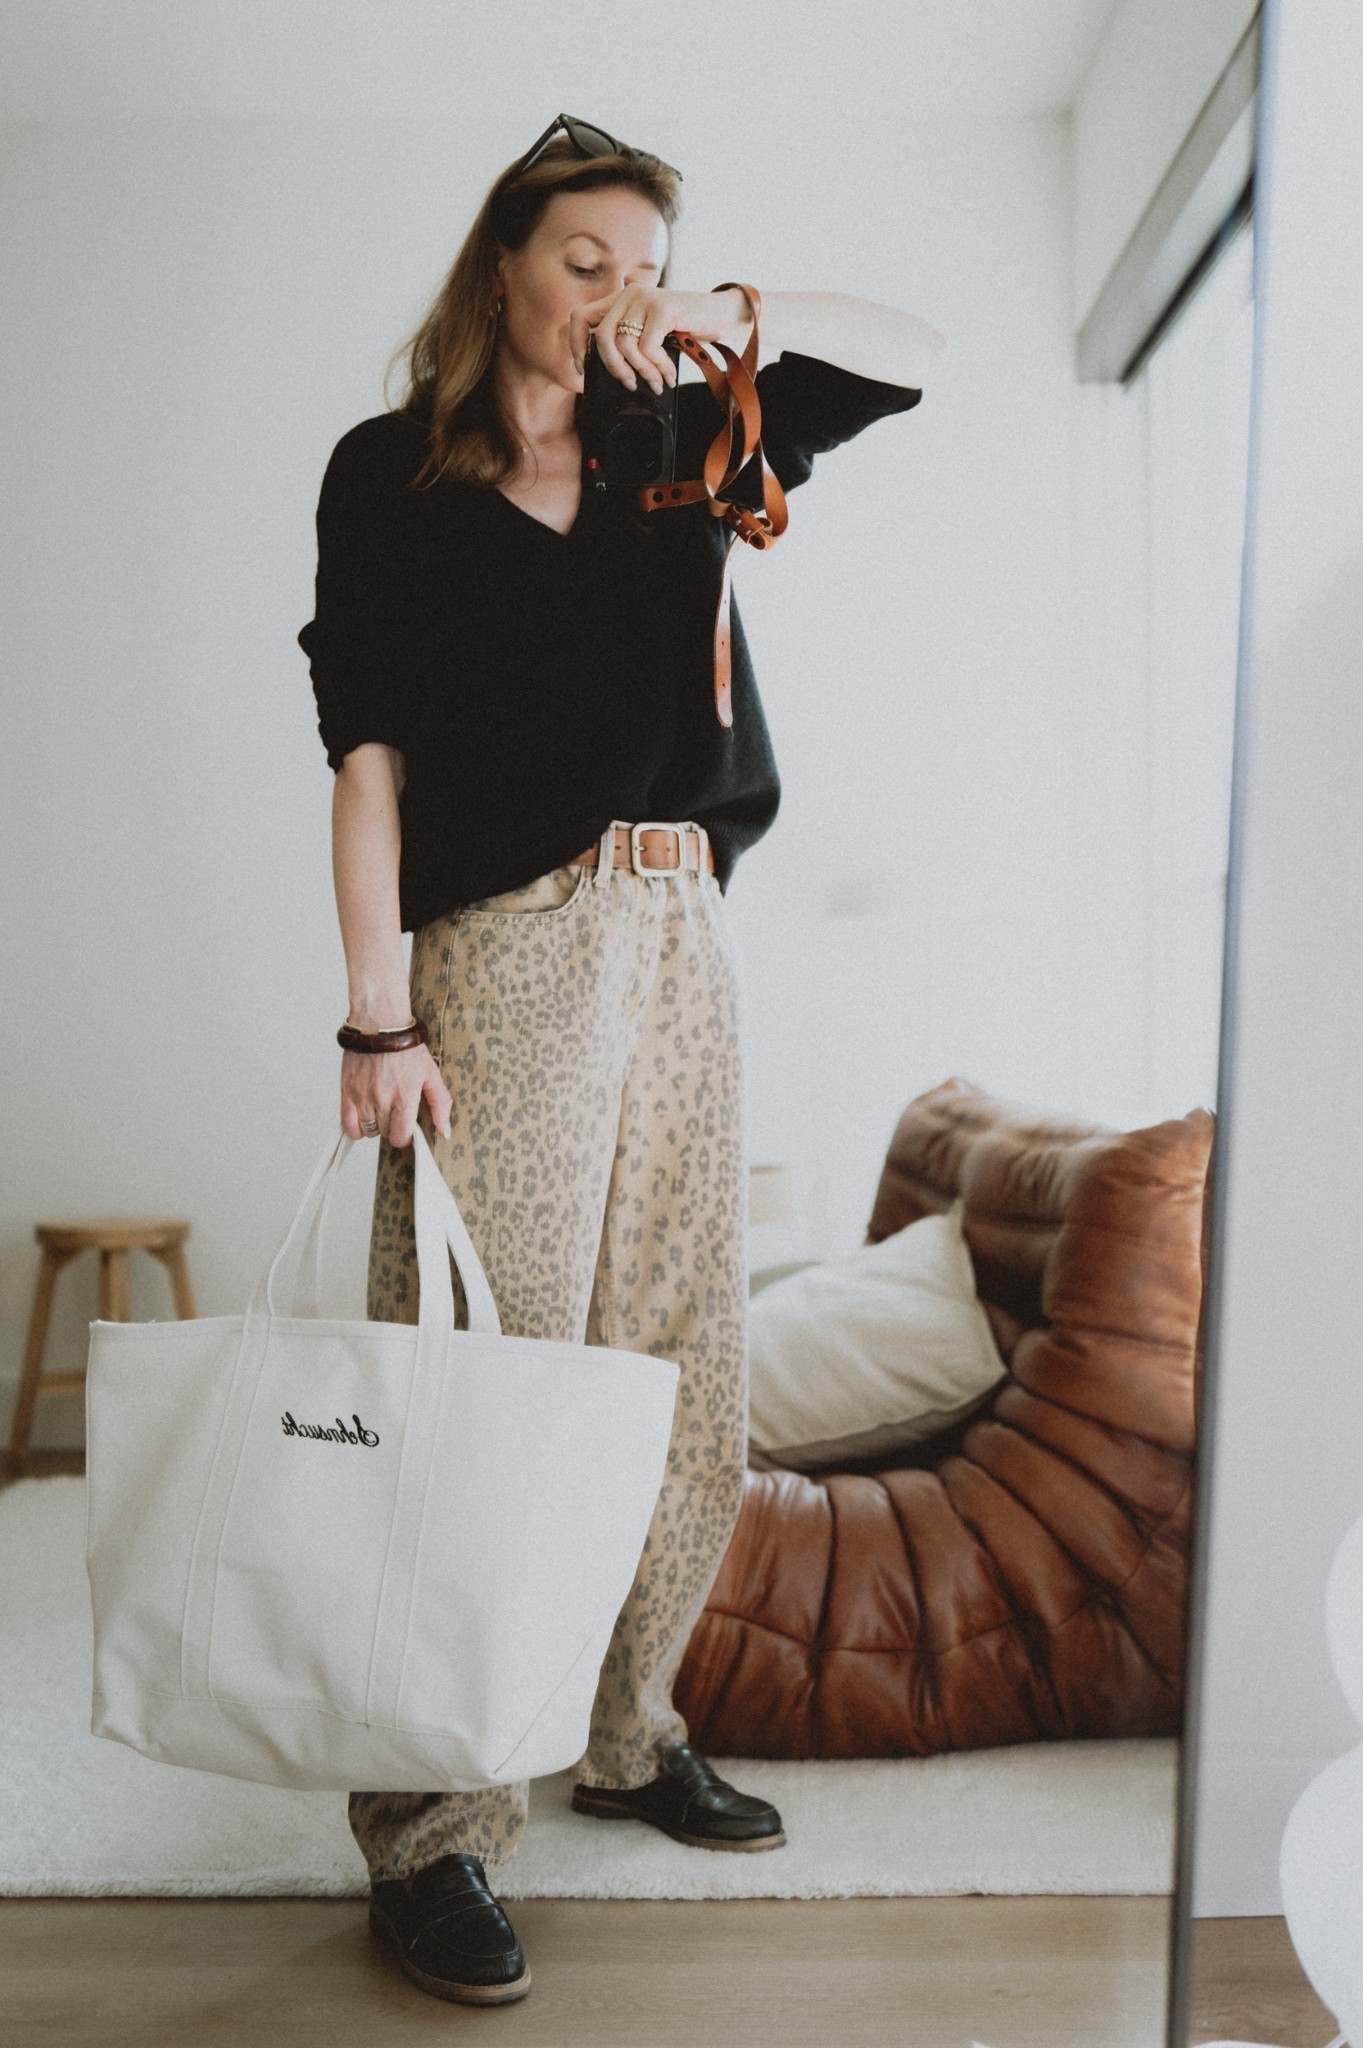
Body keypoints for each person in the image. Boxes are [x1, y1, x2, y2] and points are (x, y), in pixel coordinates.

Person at [297, 111, 944, 2009]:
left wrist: (718, 311)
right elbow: (367, 756)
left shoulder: (692, 431)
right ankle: (430, 1829)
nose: (612, 296)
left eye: (641, 262)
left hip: (685, 927)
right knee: (480, 1374)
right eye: (583, 260)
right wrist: (375, 1014)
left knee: (676, 1352)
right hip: (505, 946)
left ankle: (625, 1727)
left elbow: (919, 351)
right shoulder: (394, 477)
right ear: (502, 264)